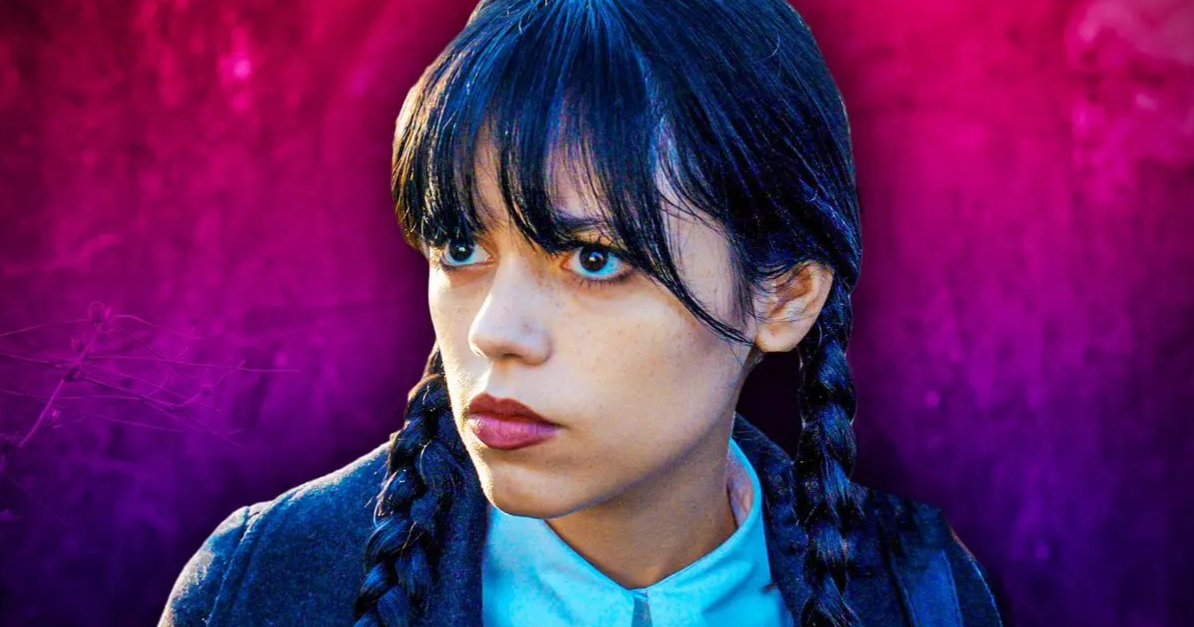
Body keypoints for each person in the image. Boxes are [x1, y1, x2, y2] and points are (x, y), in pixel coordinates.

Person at [158, 0, 1006, 625]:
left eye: (593, 258)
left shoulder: (920, 594)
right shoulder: (264, 585)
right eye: (460, 246)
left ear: (783, 295)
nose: (493, 330)